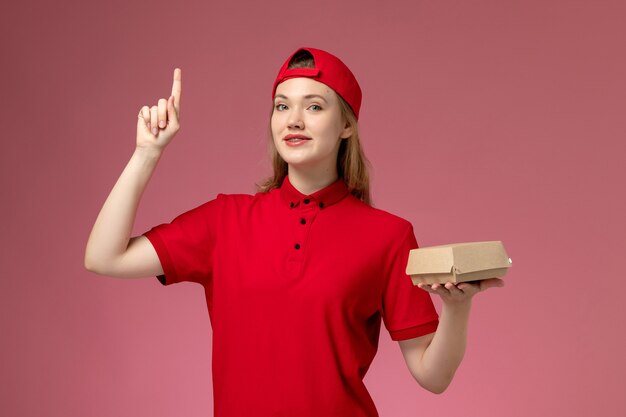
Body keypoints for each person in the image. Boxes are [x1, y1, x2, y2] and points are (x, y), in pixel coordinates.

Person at [84, 46, 504, 417]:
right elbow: (104, 258)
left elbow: (433, 377)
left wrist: (458, 308)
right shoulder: (223, 220)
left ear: (347, 126)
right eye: (282, 106)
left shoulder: (389, 236)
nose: (294, 120)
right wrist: (146, 153)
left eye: (315, 106)